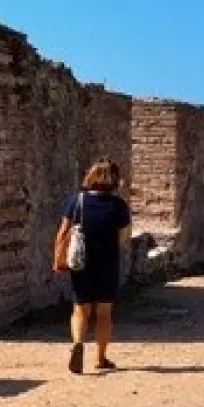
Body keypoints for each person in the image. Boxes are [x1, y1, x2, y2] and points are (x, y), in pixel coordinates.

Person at [56, 159, 131, 374]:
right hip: (107, 262)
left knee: (80, 308)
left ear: (91, 175)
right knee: (104, 313)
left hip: (81, 262)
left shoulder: (76, 201)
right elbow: (123, 237)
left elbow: (62, 232)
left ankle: (78, 343)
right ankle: (101, 357)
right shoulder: (118, 206)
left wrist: (58, 258)